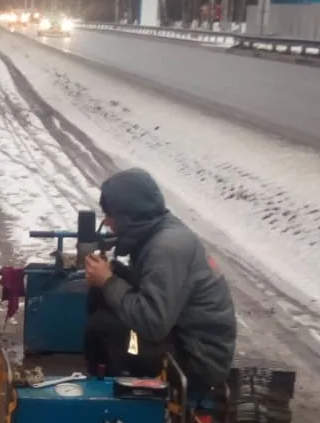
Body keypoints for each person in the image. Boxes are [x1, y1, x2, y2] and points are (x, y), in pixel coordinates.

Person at [82, 168, 236, 393]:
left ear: (128, 216)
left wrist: (108, 281)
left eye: (111, 215)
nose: (106, 223)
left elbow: (153, 324)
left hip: (196, 360)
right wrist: (110, 275)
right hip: (180, 333)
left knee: (102, 328)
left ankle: (112, 398)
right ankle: (113, 374)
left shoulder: (166, 248)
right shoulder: (158, 230)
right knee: (101, 292)